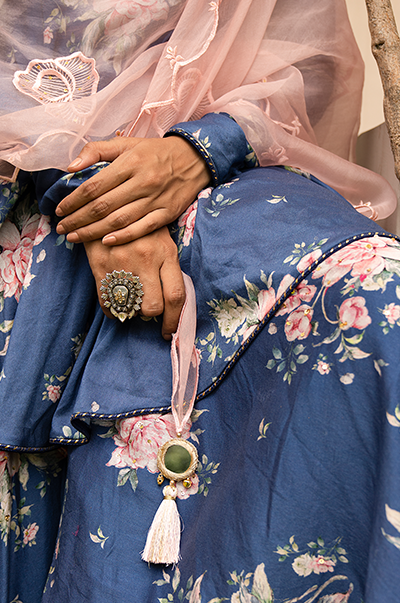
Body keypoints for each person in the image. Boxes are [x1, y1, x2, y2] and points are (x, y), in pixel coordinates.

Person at [0, 0, 399, 601]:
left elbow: (314, 59)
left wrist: (197, 149)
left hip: (229, 164)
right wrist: (102, 205)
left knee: (373, 292)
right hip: (36, 181)